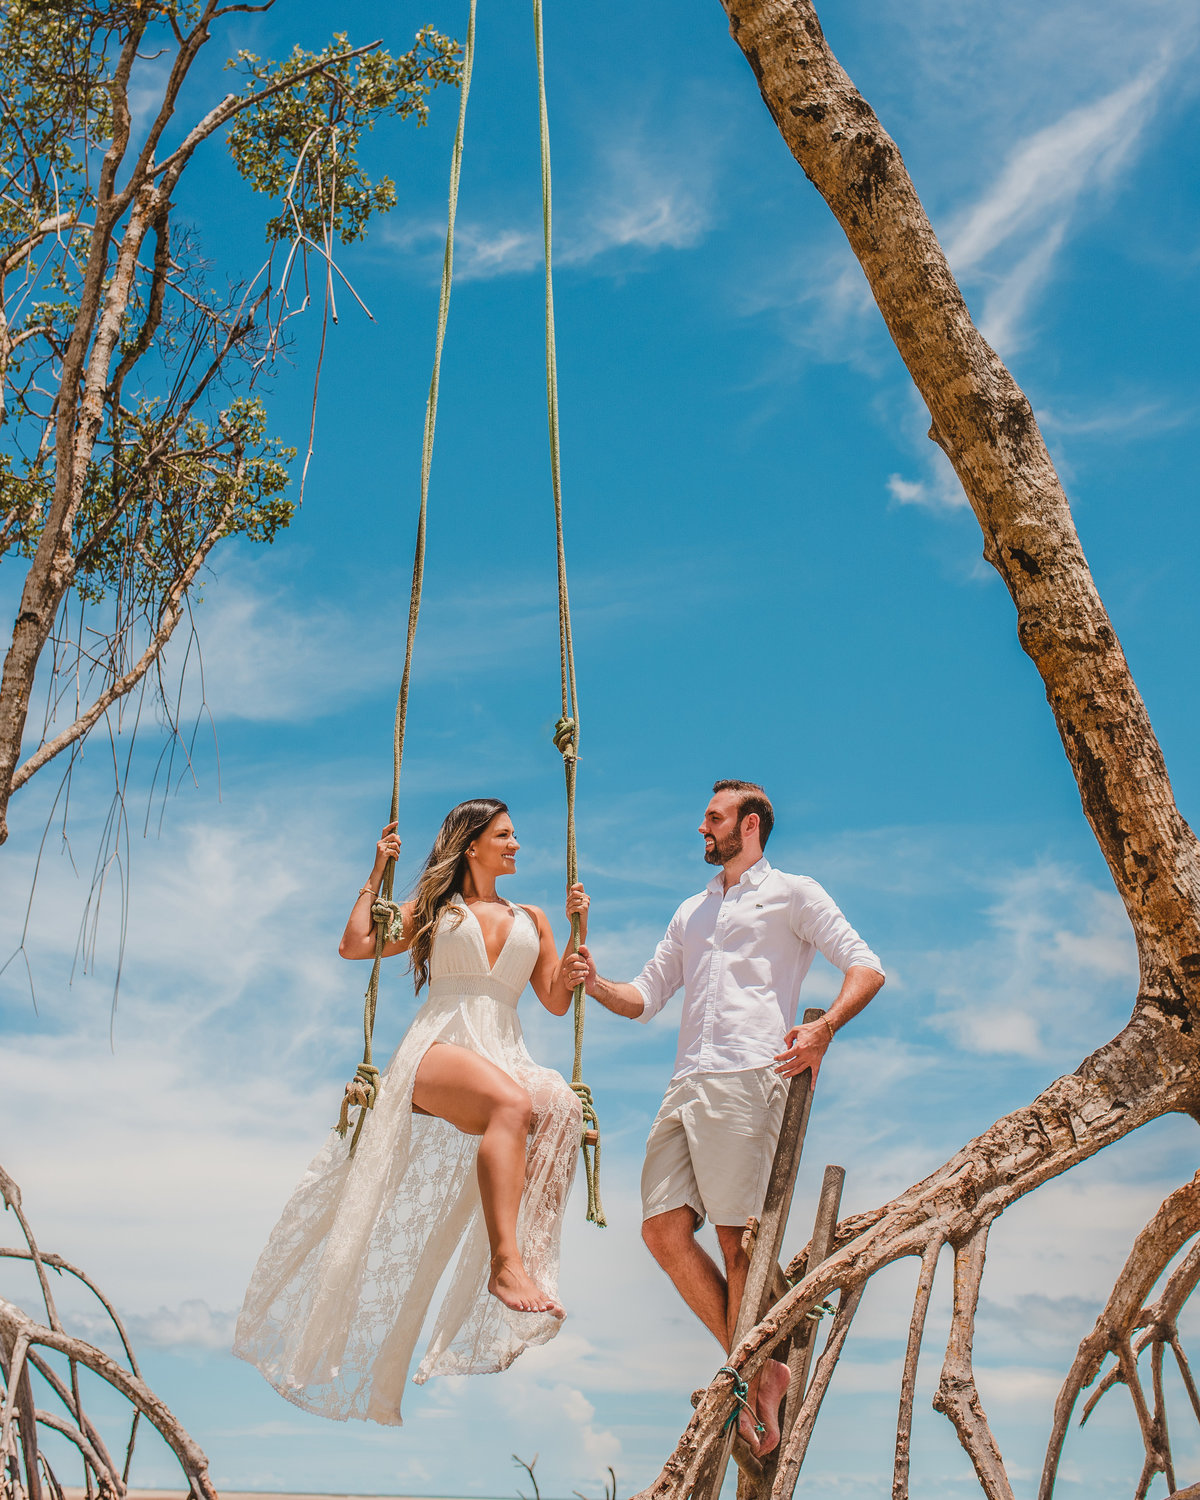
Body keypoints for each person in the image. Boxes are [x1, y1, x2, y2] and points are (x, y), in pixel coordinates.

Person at [234, 799, 591, 1426]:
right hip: (439, 1047)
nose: (515, 844)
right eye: (504, 836)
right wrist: (377, 872)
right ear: (471, 843)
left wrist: (578, 942)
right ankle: (506, 1266)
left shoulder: (532, 916)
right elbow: (355, 945)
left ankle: (528, 1257)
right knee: (512, 1102)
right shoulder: (435, 909)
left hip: (505, 1048)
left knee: (558, 1103)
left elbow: (556, 1001)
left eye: (514, 835)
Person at [577, 780, 884, 1457]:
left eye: (712, 818)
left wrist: (825, 1027)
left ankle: (753, 1373)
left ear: (749, 826)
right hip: (685, 1082)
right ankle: (763, 1365)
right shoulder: (691, 910)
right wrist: (595, 982)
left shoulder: (795, 893)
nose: (701, 828)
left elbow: (866, 967)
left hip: (751, 1076)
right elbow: (644, 997)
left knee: (737, 1241)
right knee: (661, 1230)